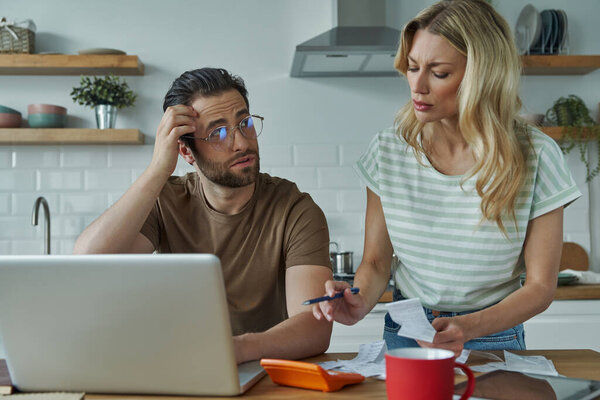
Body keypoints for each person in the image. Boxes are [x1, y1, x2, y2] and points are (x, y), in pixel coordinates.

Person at [312, 0, 581, 356]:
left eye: (438, 73)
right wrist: (358, 301)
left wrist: (469, 327)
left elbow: (540, 287)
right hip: (407, 334)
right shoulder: (389, 150)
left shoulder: (537, 156)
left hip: (492, 336)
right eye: (412, 67)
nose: (417, 86)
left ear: (481, 77)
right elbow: (377, 263)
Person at [73, 67, 333, 364]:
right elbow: (88, 260)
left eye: (245, 123)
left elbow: (315, 326)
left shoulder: (295, 209)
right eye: (219, 133)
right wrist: (158, 169)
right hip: (179, 369)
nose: (242, 143)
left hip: (268, 376)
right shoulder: (165, 201)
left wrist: (237, 349)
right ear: (186, 152)